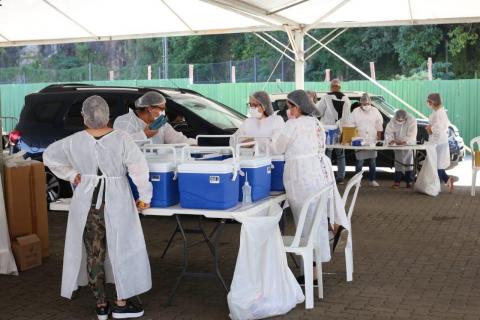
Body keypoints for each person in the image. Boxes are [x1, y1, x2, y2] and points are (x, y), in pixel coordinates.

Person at [43, 96, 153, 320]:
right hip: (117, 200)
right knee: (121, 247)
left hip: (87, 202)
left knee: (95, 252)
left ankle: (101, 305)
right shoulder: (122, 138)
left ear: (85, 117)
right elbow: (138, 168)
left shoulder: (74, 140)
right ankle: (121, 302)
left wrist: (73, 175)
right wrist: (144, 196)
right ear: (107, 116)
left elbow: (49, 156)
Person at [270, 90, 349, 281]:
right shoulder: (316, 123)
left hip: (300, 175)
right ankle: (333, 229)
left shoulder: (292, 125)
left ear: (297, 107)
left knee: (305, 222)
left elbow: (277, 148)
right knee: (316, 220)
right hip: (318, 173)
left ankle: (311, 273)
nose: (288, 111)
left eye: (289, 107)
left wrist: (271, 139)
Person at [114, 91, 196, 145]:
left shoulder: (160, 124)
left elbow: (177, 139)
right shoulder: (125, 121)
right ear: (150, 109)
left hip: (158, 167)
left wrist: (193, 144)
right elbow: (121, 144)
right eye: (162, 109)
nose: (164, 112)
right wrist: (144, 135)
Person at [316, 79, 352, 184]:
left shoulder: (325, 97)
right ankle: (340, 177)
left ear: (331, 87)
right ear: (340, 87)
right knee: (340, 154)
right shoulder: (346, 99)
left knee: (327, 154)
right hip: (339, 130)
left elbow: (318, 112)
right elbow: (347, 117)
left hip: (327, 130)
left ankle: (327, 176)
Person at [350, 93, 383, 187]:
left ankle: (372, 179)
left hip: (372, 139)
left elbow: (379, 125)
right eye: (364, 104)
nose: (366, 106)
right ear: (360, 104)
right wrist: (352, 139)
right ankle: (357, 181)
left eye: (367, 104)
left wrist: (379, 139)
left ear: (370, 103)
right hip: (359, 139)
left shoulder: (375, 111)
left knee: (372, 160)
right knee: (360, 161)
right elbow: (351, 125)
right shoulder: (356, 112)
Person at [426, 93, 454, 192]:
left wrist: (430, 129)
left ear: (431, 102)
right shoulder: (439, 112)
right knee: (439, 164)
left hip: (438, 141)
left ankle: (436, 187)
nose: (427, 104)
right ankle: (447, 180)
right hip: (440, 140)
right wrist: (431, 129)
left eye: (428, 102)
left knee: (436, 165)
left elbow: (438, 127)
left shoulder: (438, 113)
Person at [385, 109, 418, 188]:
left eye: (401, 120)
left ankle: (409, 182)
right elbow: (388, 132)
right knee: (398, 163)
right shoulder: (393, 120)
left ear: (405, 118)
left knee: (409, 163)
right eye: (398, 120)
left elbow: (412, 135)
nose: (399, 121)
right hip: (397, 145)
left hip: (408, 145)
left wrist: (404, 142)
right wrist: (391, 140)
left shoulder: (411, 120)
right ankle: (397, 182)